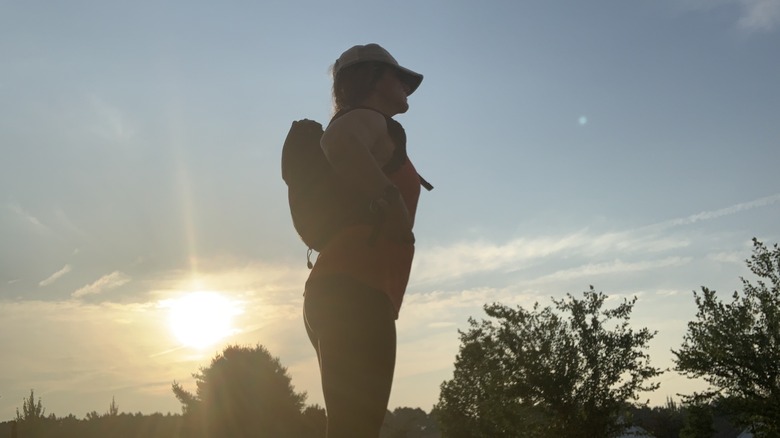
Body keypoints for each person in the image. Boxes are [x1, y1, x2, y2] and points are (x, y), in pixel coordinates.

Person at [302, 43, 426, 437]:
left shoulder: (371, 125)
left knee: (349, 427)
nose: (406, 86)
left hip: (341, 290)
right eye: (397, 76)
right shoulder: (369, 119)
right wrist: (391, 201)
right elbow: (337, 141)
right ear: (372, 79)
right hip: (356, 292)